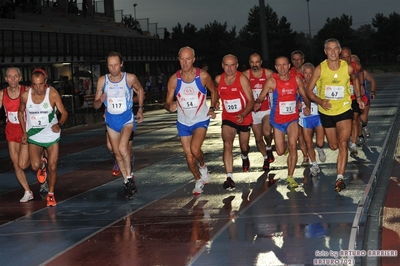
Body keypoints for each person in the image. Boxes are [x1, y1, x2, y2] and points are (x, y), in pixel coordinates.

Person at [305, 38, 364, 192]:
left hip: (344, 110)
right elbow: (308, 91)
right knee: (333, 145)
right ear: (325, 52)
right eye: (329, 49)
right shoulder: (320, 69)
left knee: (343, 144)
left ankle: (339, 178)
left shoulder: (347, 67)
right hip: (326, 112)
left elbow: (355, 79)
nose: (332, 52)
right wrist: (320, 101)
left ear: (339, 50)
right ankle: (337, 156)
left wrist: (358, 98)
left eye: (335, 48)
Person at [164, 46, 218, 195]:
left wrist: (212, 107)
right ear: (179, 60)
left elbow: (214, 92)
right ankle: (198, 180)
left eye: (188, 59)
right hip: (183, 122)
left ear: (193, 60)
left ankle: (202, 166)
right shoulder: (174, 79)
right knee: (188, 157)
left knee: (195, 150)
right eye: (182, 59)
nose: (185, 62)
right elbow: (167, 102)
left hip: (200, 120)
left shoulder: (203, 76)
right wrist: (170, 106)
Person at [93, 51, 144, 199]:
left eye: (116, 65)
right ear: (107, 66)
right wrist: (100, 101)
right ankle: (127, 180)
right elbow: (96, 105)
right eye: (110, 66)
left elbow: (140, 89)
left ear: (121, 64)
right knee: (116, 153)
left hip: (126, 118)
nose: (113, 68)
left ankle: (129, 176)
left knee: (123, 148)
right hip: (111, 120)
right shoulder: (103, 81)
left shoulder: (130, 78)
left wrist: (140, 109)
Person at [255, 56, 310, 189]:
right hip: (278, 121)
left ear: (289, 66)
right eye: (279, 65)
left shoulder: (296, 80)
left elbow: (304, 95)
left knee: (293, 146)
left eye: (284, 65)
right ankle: (283, 144)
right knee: (280, 152)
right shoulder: (272, 82)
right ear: (275, 67)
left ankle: (290, 176)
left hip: (292, 119)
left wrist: (307, 106)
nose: (282, 68)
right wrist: (257, 104)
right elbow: (261, 97)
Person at [18, 68, 68, 207]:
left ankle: (51, 194)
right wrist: (24, 131)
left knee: (53, 166)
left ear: (45, 82)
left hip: (51, 133)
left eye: (41, 84)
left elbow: (64, 113)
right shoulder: (25, 96)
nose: (39, 88)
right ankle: (42, 165)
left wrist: (59, 124)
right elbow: (20, 113)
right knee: (34, 165)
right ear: (31, 84)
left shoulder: (52, 94)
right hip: (34, 134)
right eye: (35, 84)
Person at [215, 54, 254, 190]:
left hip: (244, 116)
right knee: (227, 143)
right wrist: (215, 105)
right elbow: (215, 94)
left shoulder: (242, 79)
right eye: (227, 65)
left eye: (232, 65)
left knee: (244, 146)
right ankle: (229, 178)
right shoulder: (219, 79)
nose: (229, 68)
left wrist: (243, 114)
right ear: (222, 65)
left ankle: (244, 155)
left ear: (236, 66)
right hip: (228, 117)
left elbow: (251, 101)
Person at [0, 67, 33, 202]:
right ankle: (27, 191)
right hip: (11, 131)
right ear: (6, 79)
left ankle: (39, 162)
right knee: (16, 164)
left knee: (23, 164)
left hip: (25, 130)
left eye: (15, 76)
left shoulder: (27, 91)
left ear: (19, 78)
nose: (12, 79)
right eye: (10, 76)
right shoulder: (2, 94)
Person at [242, 53, 274, 171]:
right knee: (258, 138)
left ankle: (269, 147)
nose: (254, 65)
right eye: (252, 62)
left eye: (257, 62)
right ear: (249, 63)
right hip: (253, 112)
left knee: (267, 132)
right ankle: (266, 158)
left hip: (266, 109)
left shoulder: (269, 74)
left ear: (261, 62)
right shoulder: (245, 75)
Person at [299, 63, 326, 176]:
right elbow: (293, 99)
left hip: (318, 116)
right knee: (308, 143)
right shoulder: (300, 86)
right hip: (305, 118)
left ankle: (320, 149)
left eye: (311, 73)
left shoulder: (319, 84)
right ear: (302, 74)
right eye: (306, 73)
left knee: (319, 142)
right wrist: (298, 105)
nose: (309, 76)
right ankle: (314, 165)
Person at [340, 47, 365, 156]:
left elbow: (361, 71)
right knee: (346, 122)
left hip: (354, 98)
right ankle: (346, 140)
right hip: (343, 100)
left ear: (351, 56)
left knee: (355, 119)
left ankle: (354, 144)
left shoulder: (356, 66)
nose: (346, 59)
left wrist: (361, 84)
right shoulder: (338, 68)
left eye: (348, 57)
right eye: (343, 57)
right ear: (340, 57)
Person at [290, 50, 309, 167]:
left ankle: (313, 149)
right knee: (300, 133)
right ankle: (305, 156)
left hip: (309, 103)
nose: (297, 62)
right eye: (294, 60)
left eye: (299, 59)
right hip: (296, 105)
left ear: (303, 60)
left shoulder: (308, 70)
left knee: (308, 133)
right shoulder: (288, 72)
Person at [351, 54, 376, 140]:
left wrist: (372, 92)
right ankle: (360, 136)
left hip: (364, 97)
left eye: (355, 62)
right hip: (353, 99)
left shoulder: (363, 72)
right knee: (355, 119)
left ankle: (364, 125)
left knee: (363, 118)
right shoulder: (347, 72)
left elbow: (372, 81)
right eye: (352, 62)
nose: (353, 63)